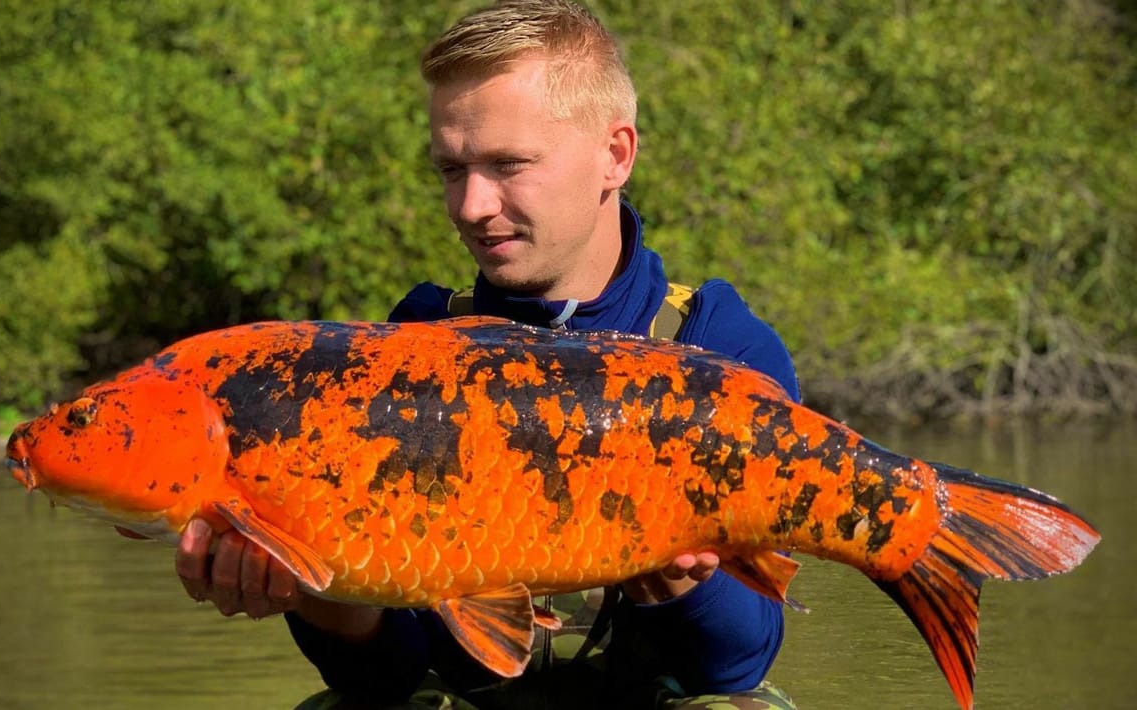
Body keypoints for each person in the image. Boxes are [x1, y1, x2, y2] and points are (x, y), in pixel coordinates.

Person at [168, 2, 801, 708]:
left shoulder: (720, 349)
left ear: (615, 156)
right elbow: (384, 680)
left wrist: (680, 576)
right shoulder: (410, 344)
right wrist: (317, 594)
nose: (471, 205)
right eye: (451, 169)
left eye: (508, 164)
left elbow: (737, 663)